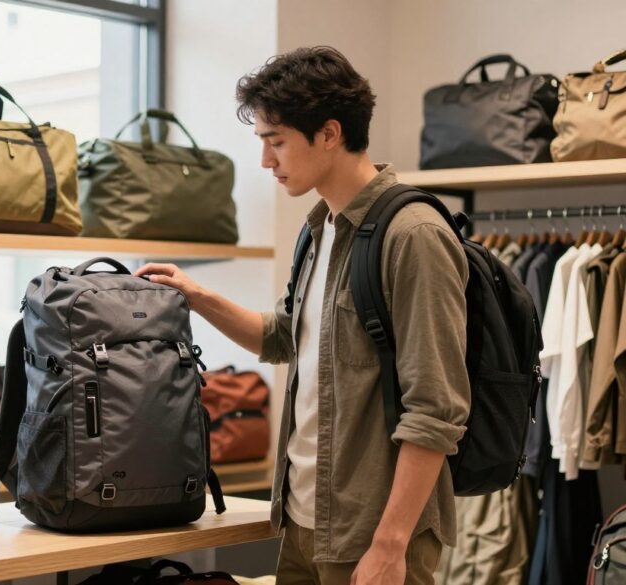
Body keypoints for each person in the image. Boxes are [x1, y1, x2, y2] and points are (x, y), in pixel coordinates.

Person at [135, 46, 471, 585]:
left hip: (373, 533)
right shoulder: (318, 228)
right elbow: (285, 337)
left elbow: (437, 409)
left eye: (276, 141)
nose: (266, 161)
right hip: (302, 520)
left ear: (330, 133)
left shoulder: (413, 236)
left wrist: (390, 545)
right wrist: (198, 296)